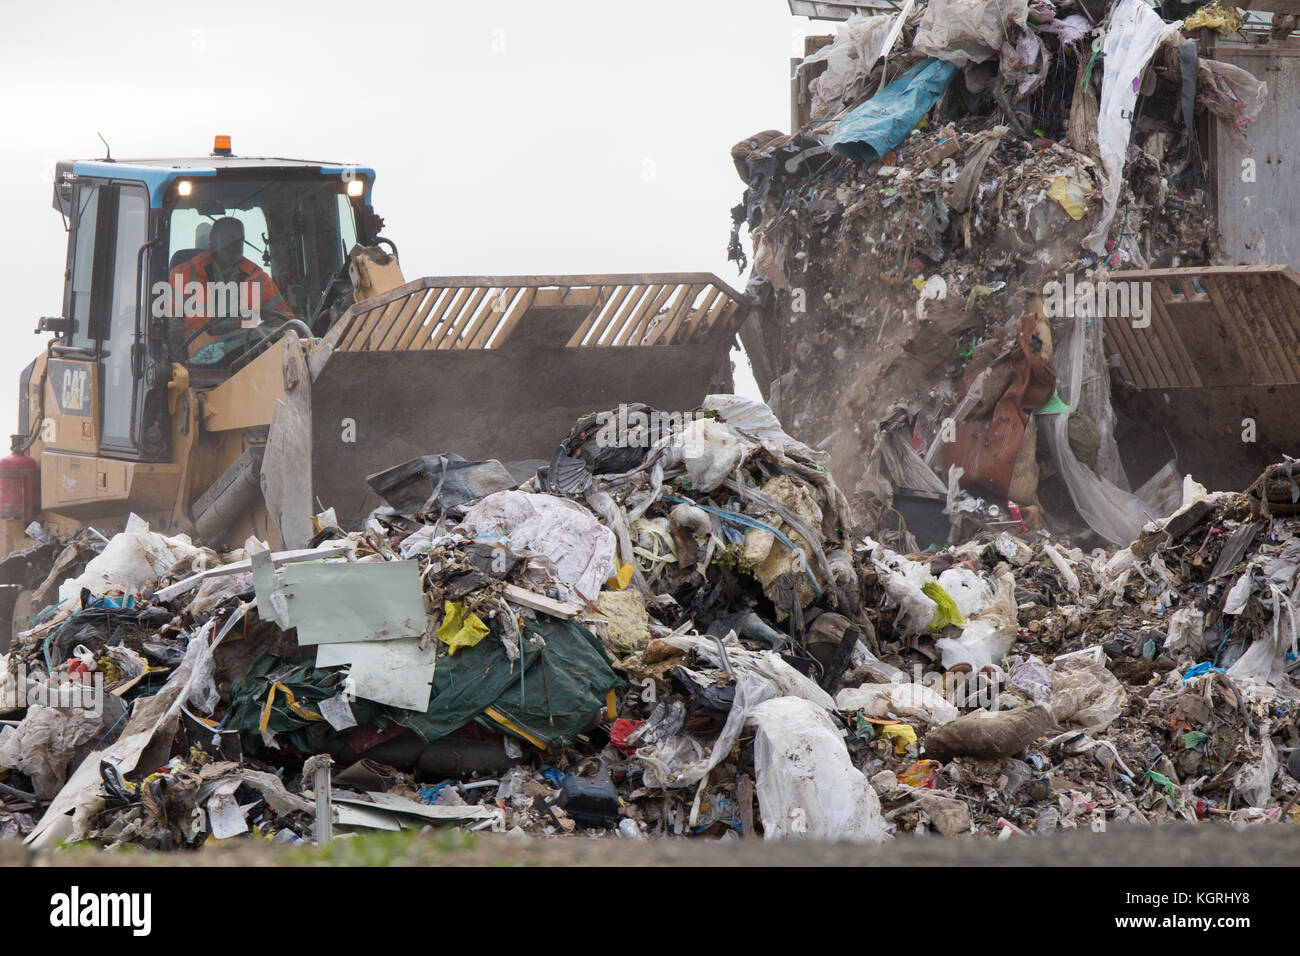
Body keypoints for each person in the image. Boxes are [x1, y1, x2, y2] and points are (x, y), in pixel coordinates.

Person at [168, 217, 297, 356]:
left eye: (239, 240)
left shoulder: (256, 277)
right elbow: (168, 323)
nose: (234, 245)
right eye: (228, 239)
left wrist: (280, 339)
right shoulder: (184, 274)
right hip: (197, 364)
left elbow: (281, 318)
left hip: (243, 354)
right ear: (212, 243)